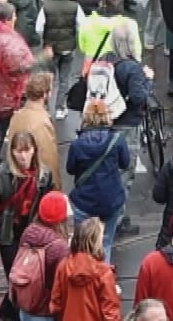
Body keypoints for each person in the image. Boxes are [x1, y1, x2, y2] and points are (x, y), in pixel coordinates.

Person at [0, 129, 55, 313]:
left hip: (33, 232)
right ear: (11, 151)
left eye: (27, 150)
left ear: (34, 150)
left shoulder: (44, 176)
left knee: (31, 274)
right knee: (14, 275)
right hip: (9, 232)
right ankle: (15, 310)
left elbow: (47, 203)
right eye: (18, 151)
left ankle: (10, 306)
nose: (23, 156)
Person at [65, 100, 133, 256]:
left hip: (84, 201)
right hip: (111, 200)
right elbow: (125, 164)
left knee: (82, 245)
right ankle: (103, 276)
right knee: (105, 243)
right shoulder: (117, 140)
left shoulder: (77, 144)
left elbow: (70, 169)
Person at [8, 190, 72, 321]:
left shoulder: (29, 232)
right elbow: (61, 286)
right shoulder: (59, 247)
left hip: (26, 306)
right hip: (45, 311)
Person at [49, 217, 119, 321]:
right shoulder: (104, 273)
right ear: (96, 242)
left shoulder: (63, 266)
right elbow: (111, 315)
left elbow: (55, 306)